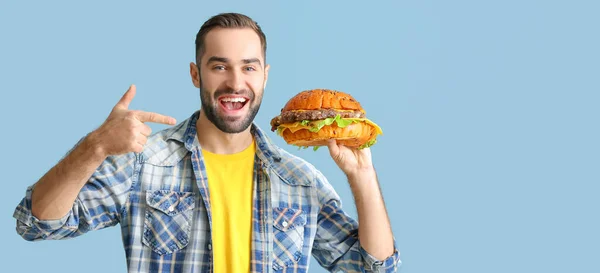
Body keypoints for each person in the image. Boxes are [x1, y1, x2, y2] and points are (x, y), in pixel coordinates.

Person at [13, 12, 401, 273]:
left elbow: (373, 267)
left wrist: (362, 174)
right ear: (196, 75)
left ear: (264, 76)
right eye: (220, 66)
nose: (235, 82)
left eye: (248, 67)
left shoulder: (301, 179)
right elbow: (37, 223)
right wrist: (94, 147)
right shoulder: (143, 162)